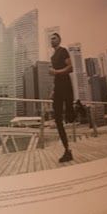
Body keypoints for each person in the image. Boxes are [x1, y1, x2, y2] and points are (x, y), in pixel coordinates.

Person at [49, 32, 75, 163]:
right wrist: (53, 89)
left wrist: (56, 72)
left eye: (54, 38)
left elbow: (71, 68)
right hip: (58, 88)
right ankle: (67, 150)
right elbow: (55, 76)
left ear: (59, 39)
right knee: (57, 119)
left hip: (66, 86)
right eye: (51, 39)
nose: (52, 40)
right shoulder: (52, 57)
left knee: (69, 116)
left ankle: (75, 110)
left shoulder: (63, 51)